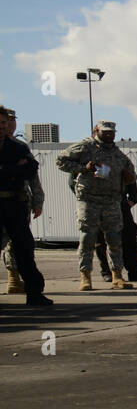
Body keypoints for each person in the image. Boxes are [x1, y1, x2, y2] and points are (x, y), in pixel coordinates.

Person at [56, 119, 137, 291]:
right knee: (88, 239)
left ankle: (117, 276)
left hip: (112, 201)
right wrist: (83, 168)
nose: (109, 135)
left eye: (112, 132)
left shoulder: (118, 154)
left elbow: (132, 174)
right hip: (89, 199)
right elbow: (61, 161)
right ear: (96, 131)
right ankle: (85, 276)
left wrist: (128, 177)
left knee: (115, 239)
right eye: (105, 132)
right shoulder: (85, 147)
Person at [0, 104, 51, 305]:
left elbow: (31, 170)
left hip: (15, 204)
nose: (3, 127)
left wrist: (6, 170)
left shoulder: (19, 147)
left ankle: (34, 294)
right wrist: (13, 169)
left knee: (24, 250)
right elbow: (19, 170)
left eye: (4, 123)